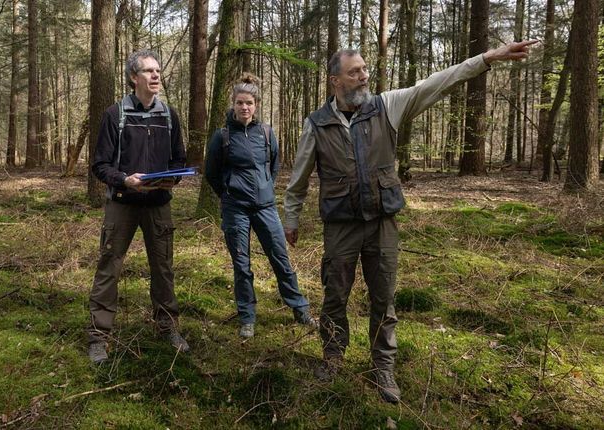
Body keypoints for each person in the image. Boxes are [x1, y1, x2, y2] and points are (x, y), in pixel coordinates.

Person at [283, 40, 538, 402]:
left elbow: (436, 83)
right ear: (334, 80)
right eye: (355, 72)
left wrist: (486, 59)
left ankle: (382, 366)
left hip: (382, 222)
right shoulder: (317, 123)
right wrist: (290, 219)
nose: (364, 76)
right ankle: (334, 357)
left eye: (365, 69)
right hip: (340, 225)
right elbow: (298, 179)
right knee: (334, 296)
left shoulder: (387, 106)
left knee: (383, 297)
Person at [88, 49, 190, 365]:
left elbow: (178, 160)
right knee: (109, 267)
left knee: (163, 268)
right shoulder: (114, 114)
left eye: (158, 70)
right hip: (122, 203)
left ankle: (168, 327)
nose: (156, 76)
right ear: (134, 77)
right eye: (148, 71)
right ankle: (98, 338)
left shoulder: (169, 116)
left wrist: (172, 179)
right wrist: (124, 180)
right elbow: (100, 165)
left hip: (158, 204)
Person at [204, 74, 317, 339]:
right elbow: (211, 173)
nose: (245, 108)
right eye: (240, 103)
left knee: (281, 259)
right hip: (235, 209)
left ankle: (300, 309)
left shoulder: (266, 132)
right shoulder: (222, 137)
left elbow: (274, 165)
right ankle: (247, 317)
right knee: (242, 264)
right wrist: (230, 192)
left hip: (266, 207)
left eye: (249, 103)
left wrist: (264, 187)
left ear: (256, 105)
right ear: (233, 104)